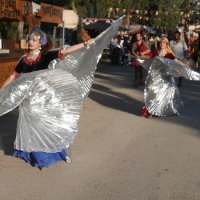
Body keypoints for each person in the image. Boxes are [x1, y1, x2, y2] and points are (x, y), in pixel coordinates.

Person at [1, 28, 94, 169]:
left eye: (34, 39)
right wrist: (2, 89)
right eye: (30, 39)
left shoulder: (46, 55)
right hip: (27, 102)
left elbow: (65, 51)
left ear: (41, 43)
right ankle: (31, 152)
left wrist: (85, 44)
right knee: (28, 127)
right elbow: (13, 76)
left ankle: (58, 152)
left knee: (46, 127)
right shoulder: (24, 59)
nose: (31, 42)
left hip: (42, 100)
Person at [139, 37, 200, 118]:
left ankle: (156, 110)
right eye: (161, 42)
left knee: (162, 93)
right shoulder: (156, 52)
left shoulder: (169, 54)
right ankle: (152, 108)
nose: (161, 44)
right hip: (155, 76)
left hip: (165, 76)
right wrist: (140, 57)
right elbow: (149, 57)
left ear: (166, 44)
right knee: (153, 93)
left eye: (163, 42)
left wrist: (185, 66)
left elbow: (176, 61)